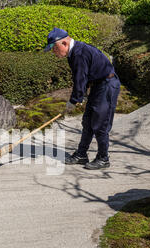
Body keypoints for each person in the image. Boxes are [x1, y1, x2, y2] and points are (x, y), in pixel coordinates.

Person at [44, 27, 121, 170]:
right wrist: (81, 96)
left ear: (64, 43)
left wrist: (74, 100)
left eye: (54, 49)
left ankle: (103, 158)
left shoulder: (79, 53)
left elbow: (80, 78)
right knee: (88, 121)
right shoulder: (74, 52)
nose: (54, 53)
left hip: (108, 85)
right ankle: (81, 154)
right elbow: (82, 78)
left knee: (100, 123)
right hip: (98, 85)